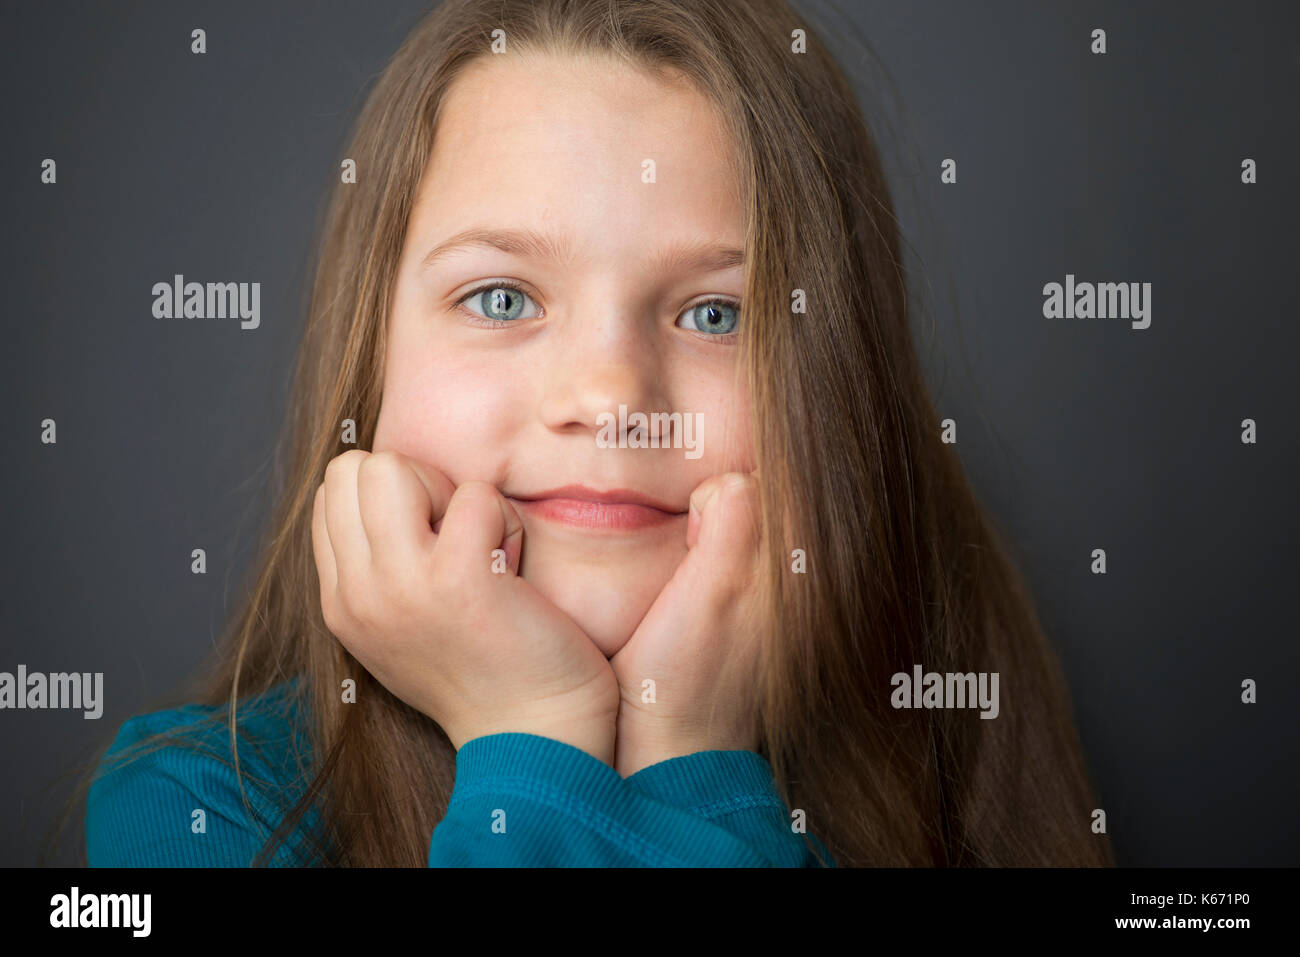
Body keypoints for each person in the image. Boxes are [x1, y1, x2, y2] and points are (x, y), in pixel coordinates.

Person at [83, 0, 1112, 867]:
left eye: (717, 313)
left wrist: (692, 756)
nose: (612, 396)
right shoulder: (200, 811)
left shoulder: (966, 793)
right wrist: (535, 736)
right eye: (500, 298)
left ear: (837, 388)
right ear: (372, 358)